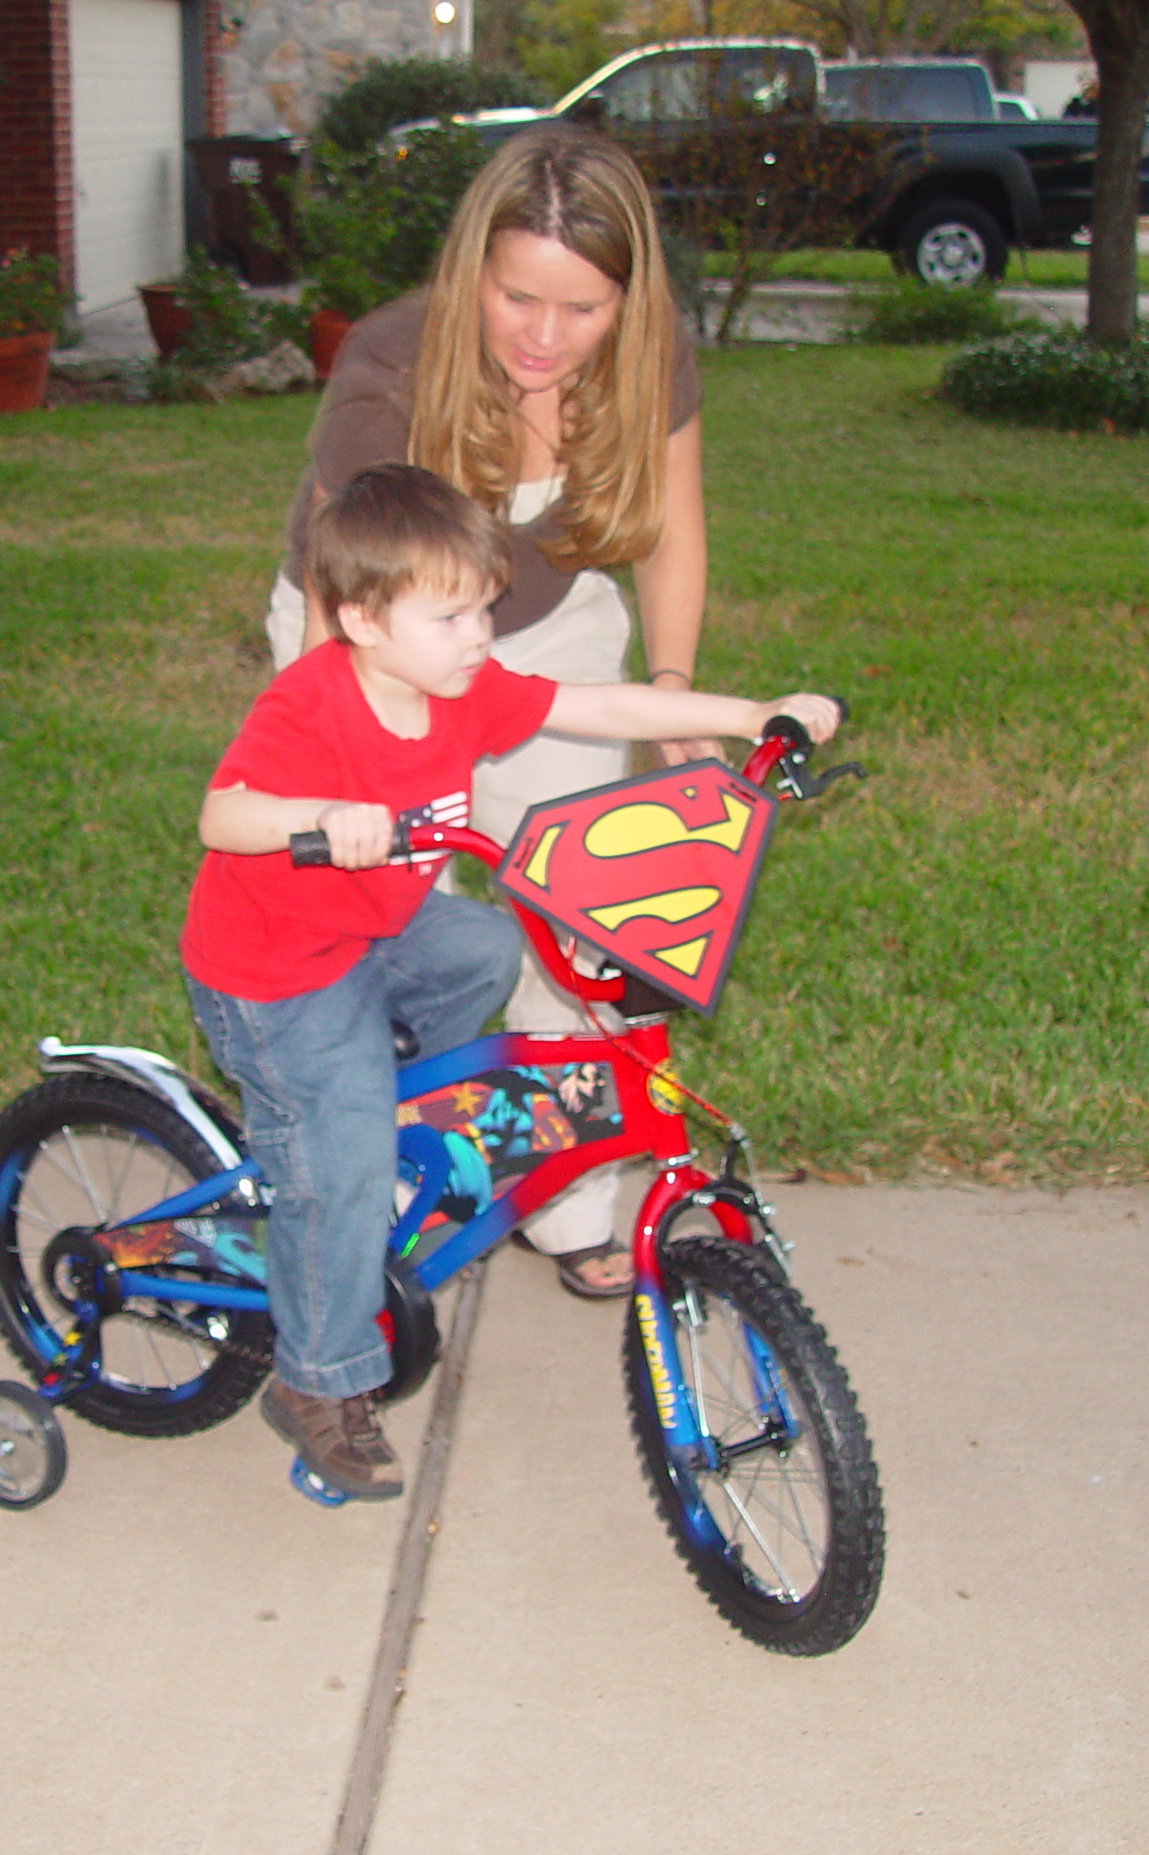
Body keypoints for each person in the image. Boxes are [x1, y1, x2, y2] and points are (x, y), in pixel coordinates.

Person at [186, 462, 842, 1501]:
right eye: (449, 617)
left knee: (488, 950)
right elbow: (222, 815)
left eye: (484, 609)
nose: (479, 636)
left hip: (379, 934)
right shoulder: (311, 703)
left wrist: (754, 707)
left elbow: (594, 702)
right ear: (360, 619)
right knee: (340, 1161)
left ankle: (380, 1109)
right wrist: (314, 821)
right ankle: (315, 1382)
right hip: (273, 976)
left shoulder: (462, 692)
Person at [264, 122, 705, 1302]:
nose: (548, 339)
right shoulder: (394, 366)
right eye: (519, 300)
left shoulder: (648, 356)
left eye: (585, 309)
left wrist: (669, 689)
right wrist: (334, 753)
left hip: (547, 633)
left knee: (571, 912)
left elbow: (669, 533)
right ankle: (357, 1152)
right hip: (371, 639)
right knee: (378, 915)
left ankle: (565, 1199)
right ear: (474, 272)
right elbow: (333, 581)